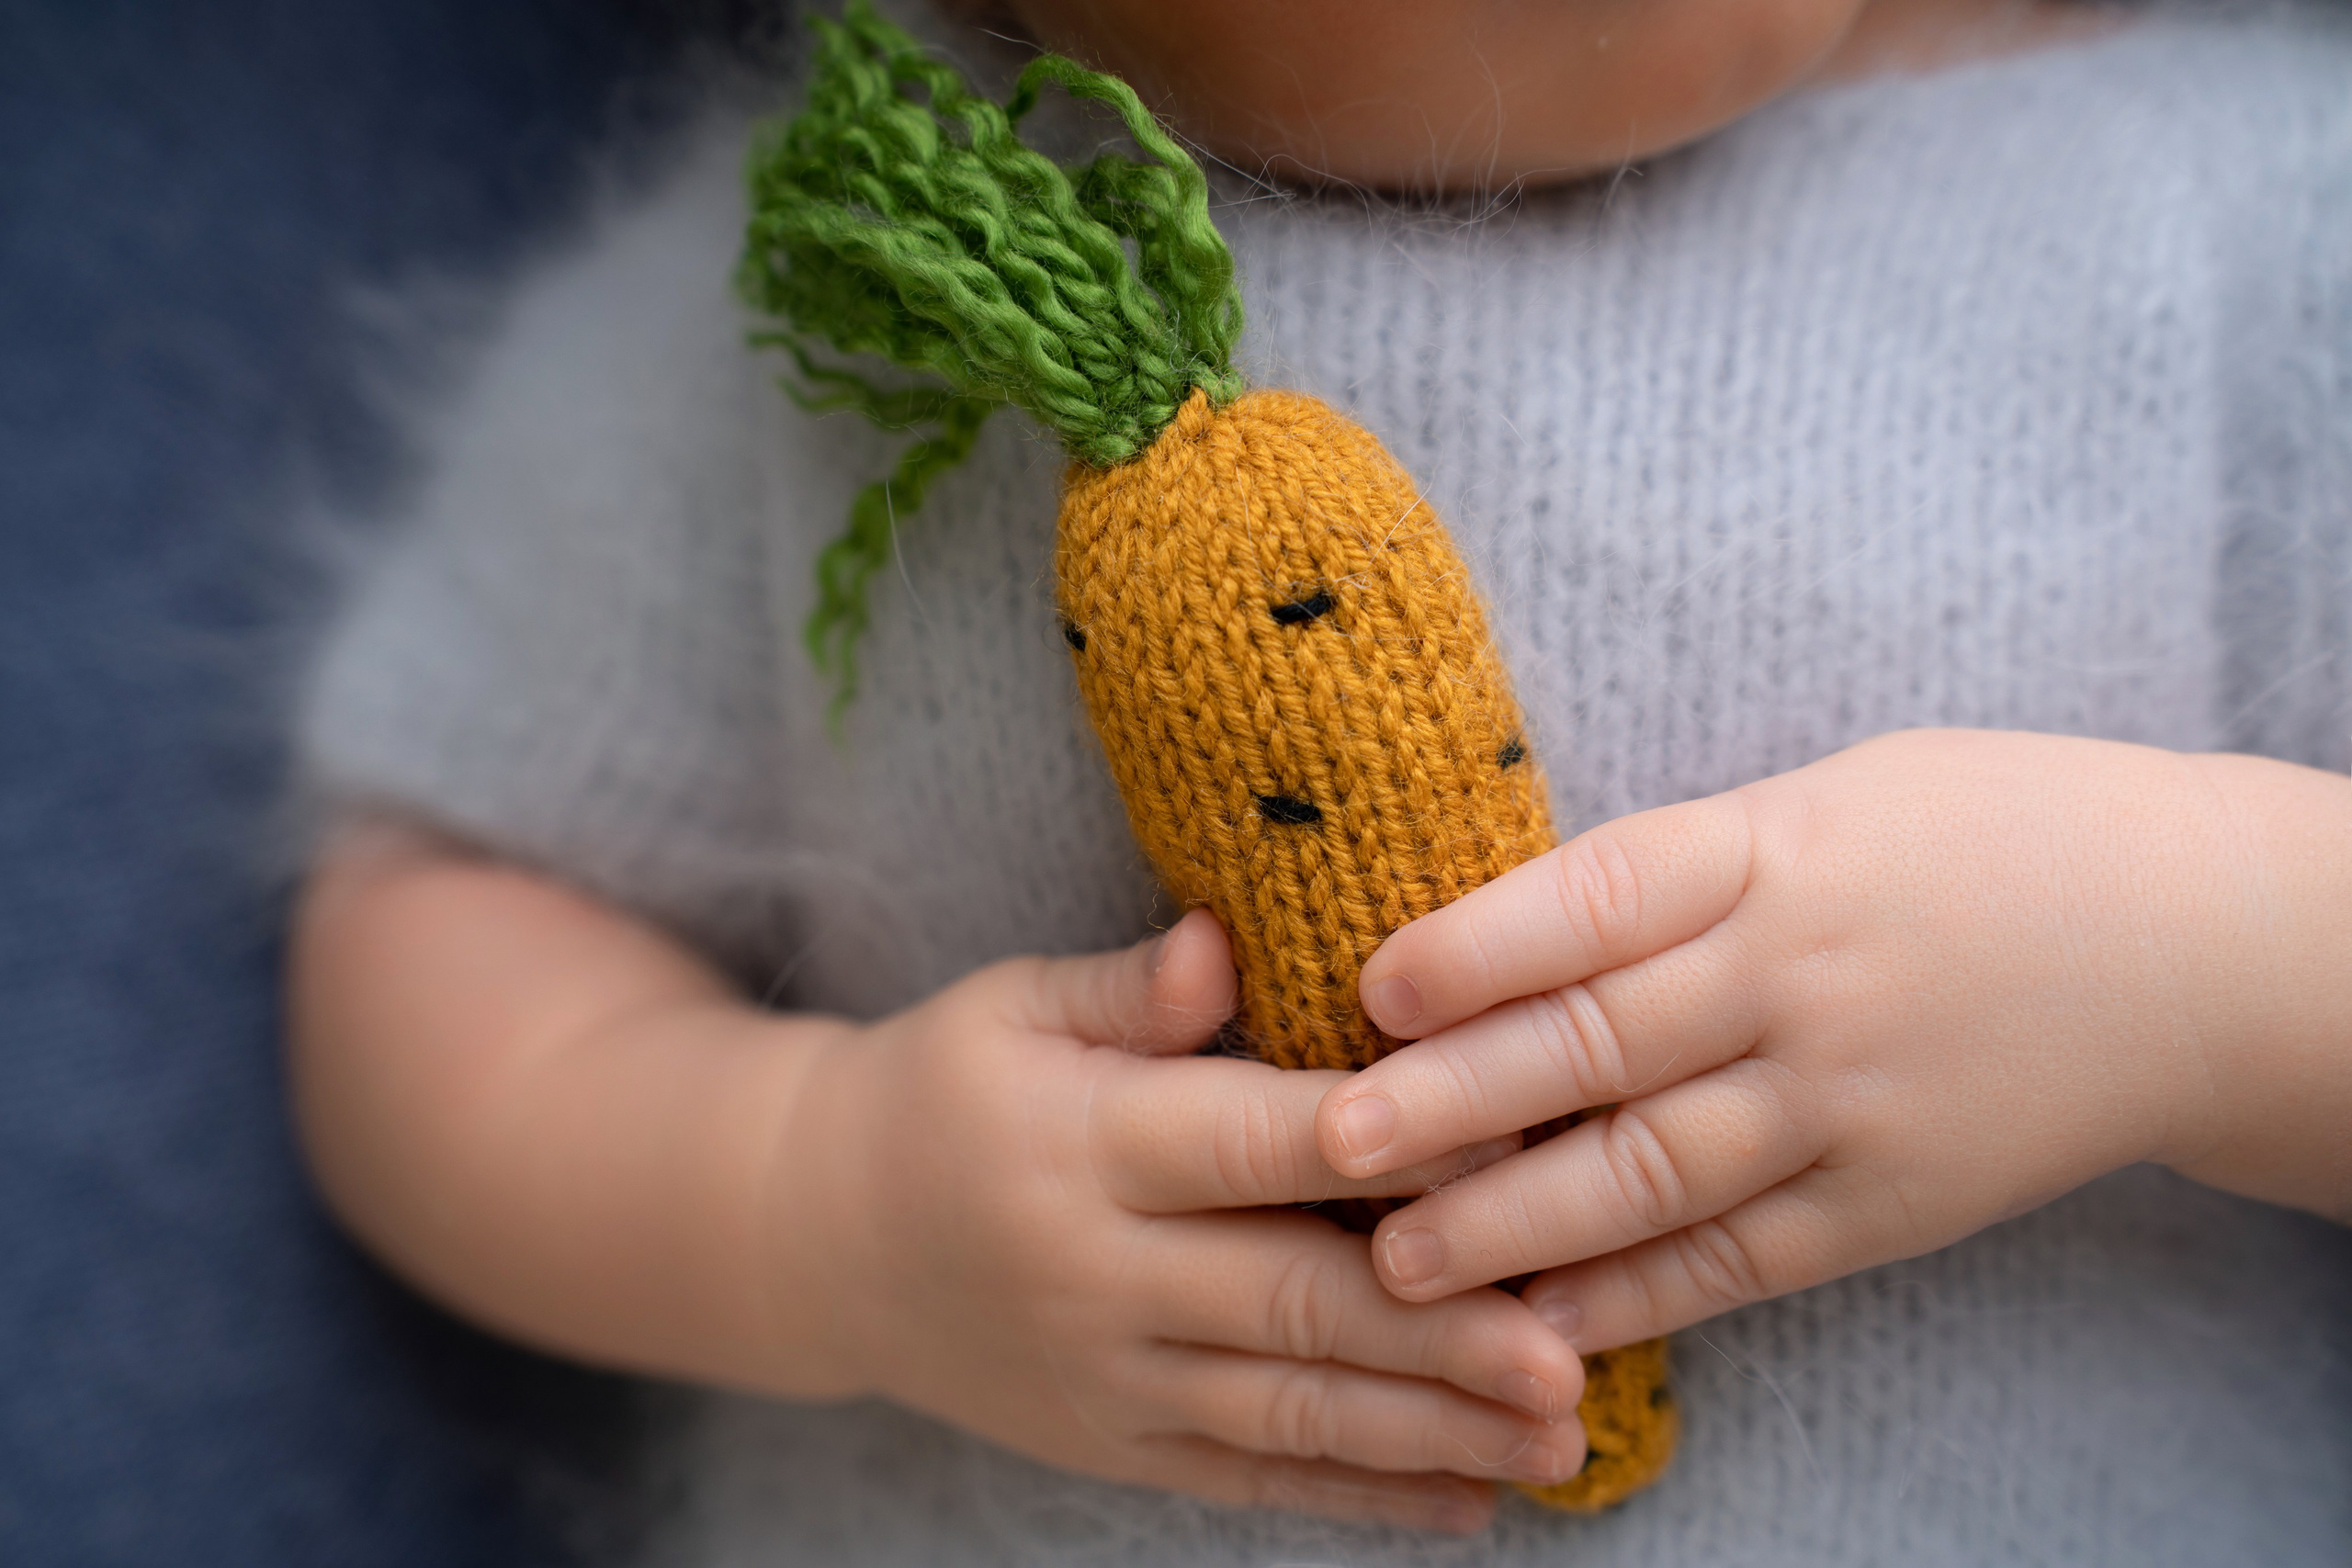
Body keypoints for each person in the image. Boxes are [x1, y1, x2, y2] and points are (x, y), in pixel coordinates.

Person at [288, 0, 2352, 1562]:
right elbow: (450, 910)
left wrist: (2199, 961)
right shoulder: (885, 245)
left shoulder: (2243, 214)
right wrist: (803, 1200)